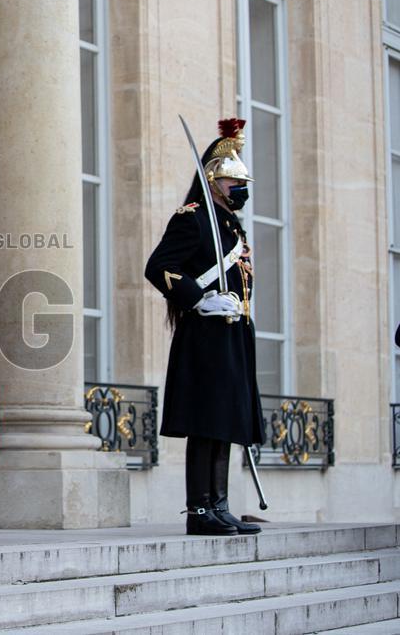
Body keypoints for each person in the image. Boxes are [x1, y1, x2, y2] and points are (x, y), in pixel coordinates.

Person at [144, 118, 265, 536]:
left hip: (234, 331)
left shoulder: (230, 224)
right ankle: (199, 510)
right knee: (206, 421)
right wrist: (199, 299)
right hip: (205, 332)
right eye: (234, 182)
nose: (241, 189)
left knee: (226, 420)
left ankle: (220, 503)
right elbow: (158, 268)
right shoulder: (193, 218)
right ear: (214, 181)